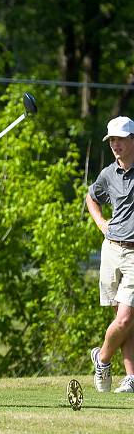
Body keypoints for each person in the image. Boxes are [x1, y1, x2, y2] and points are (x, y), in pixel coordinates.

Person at [85, 116, 134, 394]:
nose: (115, 144)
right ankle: (131, 378)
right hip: (112, 249)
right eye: (112, 140)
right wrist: (102, 223)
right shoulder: (107, 174)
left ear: (133, 139)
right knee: (125, 321)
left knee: (126, 318)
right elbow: (92, 197)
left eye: (120, 139)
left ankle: (102, 358)